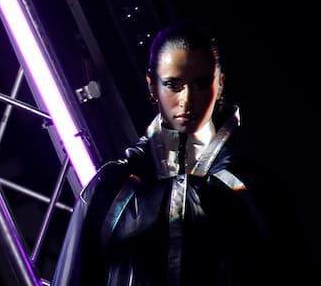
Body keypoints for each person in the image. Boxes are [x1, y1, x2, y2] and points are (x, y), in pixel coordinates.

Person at [52, 21, 296, 285]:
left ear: (220, 84)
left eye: (201, 84)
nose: (187, 100)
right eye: (173, 85)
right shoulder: (110, 189)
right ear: (151, 86)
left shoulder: (256, 191)